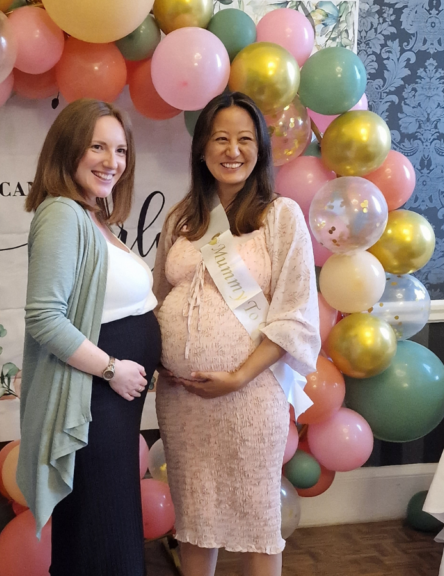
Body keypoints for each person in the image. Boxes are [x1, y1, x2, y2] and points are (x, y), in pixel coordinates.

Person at [152, 92, 321, 576]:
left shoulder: (280, 216)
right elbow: (159, 297)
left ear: (261, 149)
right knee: (194, 516)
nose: (232, 150)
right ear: (202, 149)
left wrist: (240, 375)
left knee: (257, 518)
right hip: (183, 401)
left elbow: (295, 313)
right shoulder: (182, 219)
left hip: (251, 395)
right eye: (220, 138)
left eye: (245, 139)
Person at [16, 98, 161, 576]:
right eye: (97, 146)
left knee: (107, 529)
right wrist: (113, 369)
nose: (111, 161)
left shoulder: (93, 214)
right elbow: (44, 317)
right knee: (102, 536)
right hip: (93, 402)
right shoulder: (61, 214)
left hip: (114, 405)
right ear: (68, 149)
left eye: (119, 150)